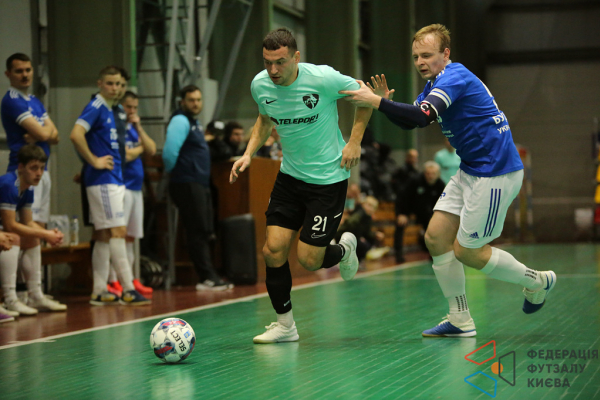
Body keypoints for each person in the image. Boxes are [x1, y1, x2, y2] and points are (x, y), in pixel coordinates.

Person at [341, 23, 556, 337]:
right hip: (470, 170)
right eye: (416, 57)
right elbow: (412, 121)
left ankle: (538, 281)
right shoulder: (434, 84)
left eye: (427, 55)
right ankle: (460, 319)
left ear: (445, 53)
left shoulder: (454, 77)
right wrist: (386, 103)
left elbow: (422, 116)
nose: (420, 62)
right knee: (436, 238)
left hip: (496, 172)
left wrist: (376, 102)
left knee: (468, 251)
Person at [229, 27, 372, 344]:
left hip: (328, 181)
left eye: (280, 62)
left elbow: (366, 98)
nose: (273, 70)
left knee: (309, 260)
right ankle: (285, 326)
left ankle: (345, 249)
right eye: (267, 62)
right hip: (290, 178)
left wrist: (354, 142)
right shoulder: (260, 85)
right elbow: (264, 119)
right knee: (273, 250)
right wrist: (248, 153)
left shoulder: (323, 79)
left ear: (296, 57)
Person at [70, 66, 150, 306]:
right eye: (110, 83)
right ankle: (128, 289)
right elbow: (76, 134)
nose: (115, 88)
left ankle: (99, 290)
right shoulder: (96, 106)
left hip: (113, 178)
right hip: (103, 179)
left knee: (104, 234)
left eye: (119, 84)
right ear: (100, 84)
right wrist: (93, 160)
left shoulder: (112, 109)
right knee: (118, 231)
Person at [2, 53, 60, 302]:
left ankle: (35, 292)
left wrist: (43, 134)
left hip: (41, 171)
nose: (25, 75)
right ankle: (18, 294)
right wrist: (44, 133)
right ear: (8, 74)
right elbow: (46, 133)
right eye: (19, 71)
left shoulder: (34, 100)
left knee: (38, 229)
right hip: (25, 170)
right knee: (24, 232)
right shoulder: (12, 100)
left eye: (28, 70)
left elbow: (55, 135)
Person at [163, 85, 233, 291]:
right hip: (187, 182)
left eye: (198, 100)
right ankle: (206, 278)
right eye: (191, 100)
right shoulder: (180, 121)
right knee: (197, 230)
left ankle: (209, 275)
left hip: (198, 182)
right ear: (182, 102)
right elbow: (169, 153)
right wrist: (177, 173)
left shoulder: (195, 123)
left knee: (204, 230)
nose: (195, 104)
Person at [0, 145, 66, 317]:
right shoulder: (9, 184)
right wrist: (45, 234)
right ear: (21, 167)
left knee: (33, 239)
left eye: (42, 168)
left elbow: (28, 222)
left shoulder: (27, 188)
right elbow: (10, 225)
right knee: (13, 237)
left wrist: (50, 234)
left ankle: (35, 295)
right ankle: (10, 298)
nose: (39, 173)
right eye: (33, 168)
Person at [105, 91, 156, 298]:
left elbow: (151, 149)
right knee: (118, 234)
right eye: (128, 107)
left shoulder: (134, 129)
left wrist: (139, 128)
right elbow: (124, 155)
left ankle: (132, 278)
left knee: (131, 237)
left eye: (135, 107)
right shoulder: (116, 127)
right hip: (122, 187)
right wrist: (139, 149)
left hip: (136, 188)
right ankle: (113, 280)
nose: (132, 111)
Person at [396, 161, 446, 252]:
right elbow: (403, 197)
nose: (430, 176)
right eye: (428, 173)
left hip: (427, 211)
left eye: (433, 174)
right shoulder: (415, 180)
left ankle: (432, 252)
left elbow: (443, 203)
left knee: (435, 225)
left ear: (438, 174)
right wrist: (401, 213)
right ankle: (398, 253)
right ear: (424, 173)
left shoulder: (441, 185)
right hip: (409, 207)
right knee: (400, 223)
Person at [390, 149, 420, 262]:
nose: (414, 159)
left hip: (413, 204)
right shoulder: (401, 171)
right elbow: (399, 191)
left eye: (416, 157)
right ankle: (398, 254)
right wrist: (400, 212)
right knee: (400, 228)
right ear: (407, 158)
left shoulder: (416, 172)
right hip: (402, 205)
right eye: (412, 157)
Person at [335, 196, 385, 262]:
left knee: (368, 242)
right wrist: (358, 237)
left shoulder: (367, 217)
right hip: (343, 237)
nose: (370, 208)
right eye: (369, 205)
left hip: (353, 237)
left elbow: (366, 232)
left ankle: (358, 261)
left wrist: (375, 234)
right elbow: (350, 224)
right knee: (362, 245)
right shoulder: (360, 213)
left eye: (373, 207)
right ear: (364, 204)